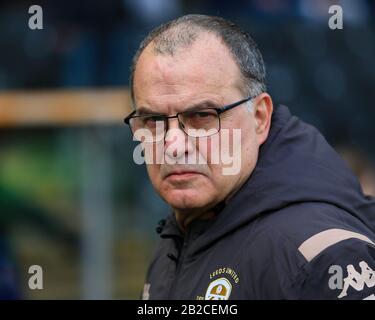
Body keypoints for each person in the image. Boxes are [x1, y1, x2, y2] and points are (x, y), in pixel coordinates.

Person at [124, 14, 375, 300]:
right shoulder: (181, 237)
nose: (173, 144)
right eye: (153, 120)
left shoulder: (319, 255)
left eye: (202, 116)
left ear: (259, 118)